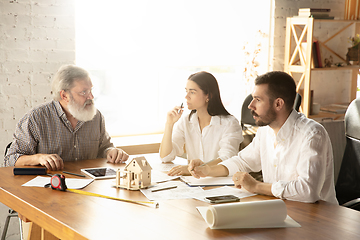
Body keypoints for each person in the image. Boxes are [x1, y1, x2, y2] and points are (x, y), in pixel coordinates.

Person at [189, 71, 338, 204]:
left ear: (278, 103)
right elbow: (243, 161)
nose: (250, 105)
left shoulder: (311, 134)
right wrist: (208, 169)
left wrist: (257, 186)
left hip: (317, 219)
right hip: (278, 210)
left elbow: (308, 190)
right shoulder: (265, 130)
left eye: (258, 100)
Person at [4, 65, 129, 170]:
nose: (91, 96)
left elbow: (104, 148)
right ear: (64, 95)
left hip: (89, 188)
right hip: (48, 189)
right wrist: (39, 158)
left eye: (91, 90)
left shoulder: (96, 117)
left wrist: (112, 151)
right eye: (84, 92)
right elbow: (10, 160)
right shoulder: (36, 118)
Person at [160, 71, 243, 176]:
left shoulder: (230, 124)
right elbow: (165, 157)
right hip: (194, 182)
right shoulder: (186, 121)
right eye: (186, 91)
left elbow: (227, 159)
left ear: (208, 96)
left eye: (192, 92)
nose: (186, 97)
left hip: (219, 183)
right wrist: (169, 124)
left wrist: (194, 169)